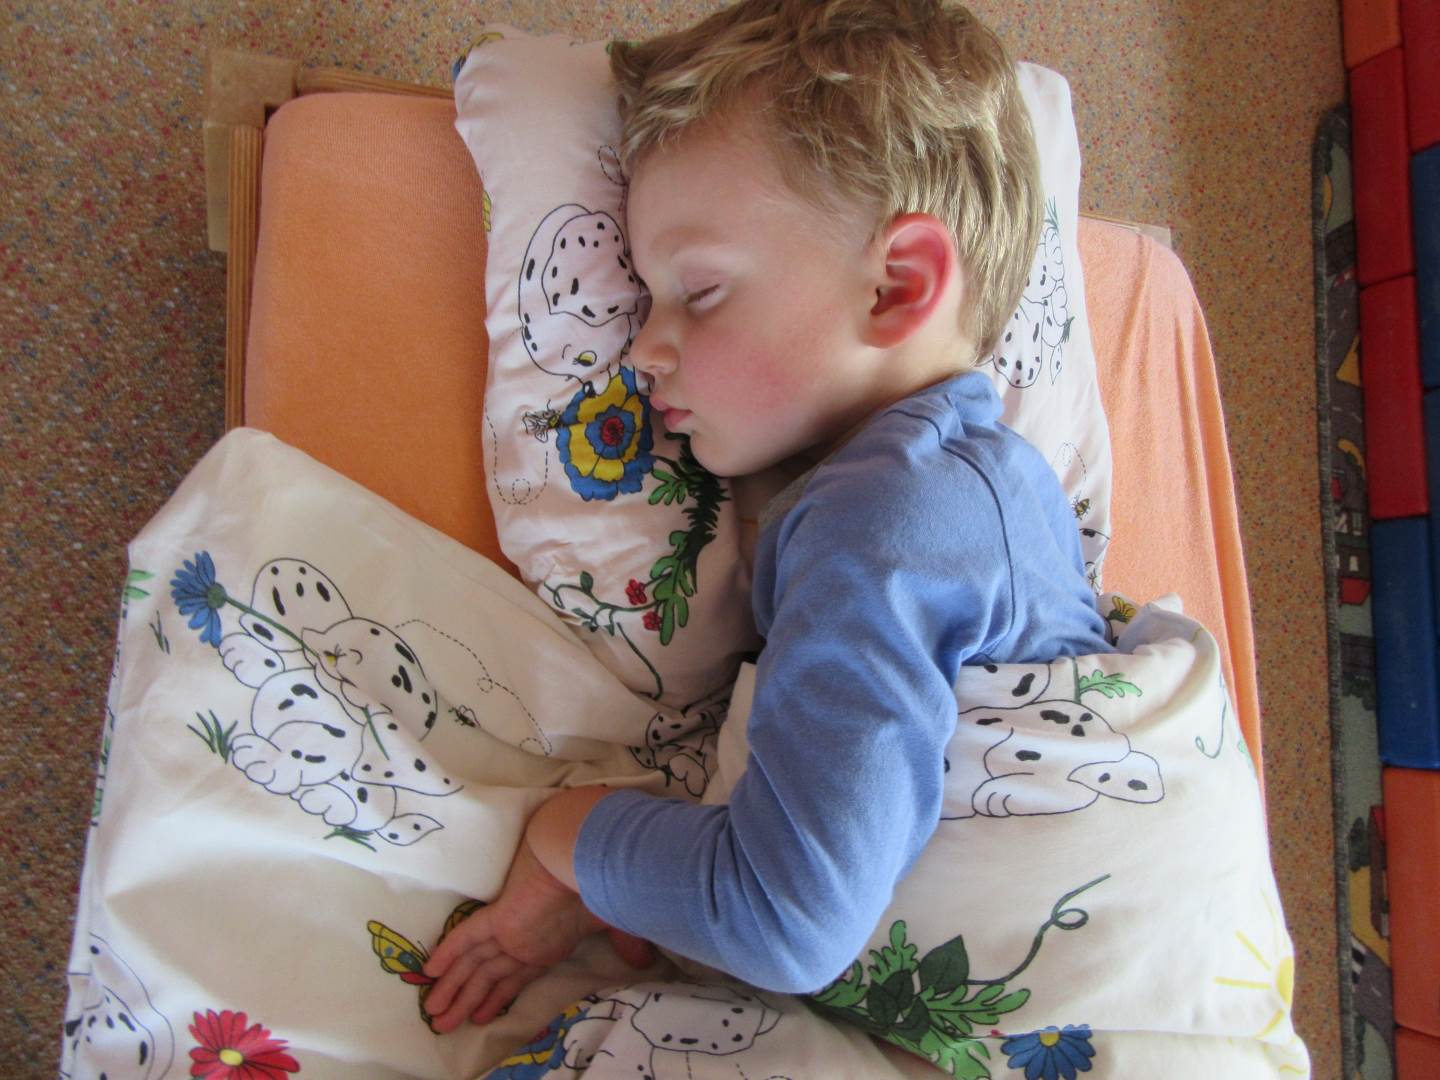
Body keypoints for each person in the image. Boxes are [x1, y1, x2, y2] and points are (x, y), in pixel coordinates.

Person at [424, 0, 1114, 1034]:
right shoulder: (983, 493)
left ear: (897, 285)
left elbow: (789, 920)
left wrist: (570, 842)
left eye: (698, 292)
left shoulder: (889, 522)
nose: (642, 349)